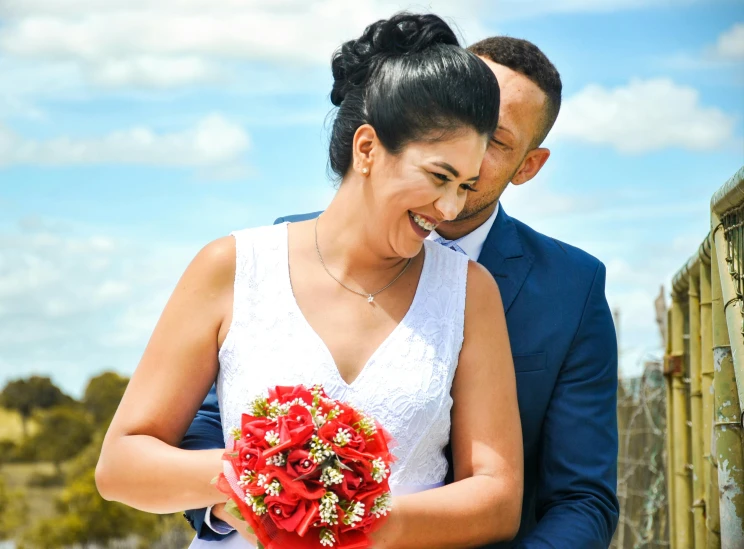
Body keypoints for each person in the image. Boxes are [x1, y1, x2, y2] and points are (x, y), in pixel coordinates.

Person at [95, 13, 525, 549]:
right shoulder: (230, 266)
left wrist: (363, 520)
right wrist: (263, 477)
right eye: (439, 177)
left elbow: (497, 497)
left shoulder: (469, 291)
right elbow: (121, 463)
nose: (451, 206)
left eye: (464, 185)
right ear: (366, 149)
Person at [182, 34, 620, 549]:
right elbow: (215, 420)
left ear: (529, 166)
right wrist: (242, 507)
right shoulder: (278, 252)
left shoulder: (572, 286)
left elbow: (582, 499)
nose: (467, 142)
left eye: (494, 139)